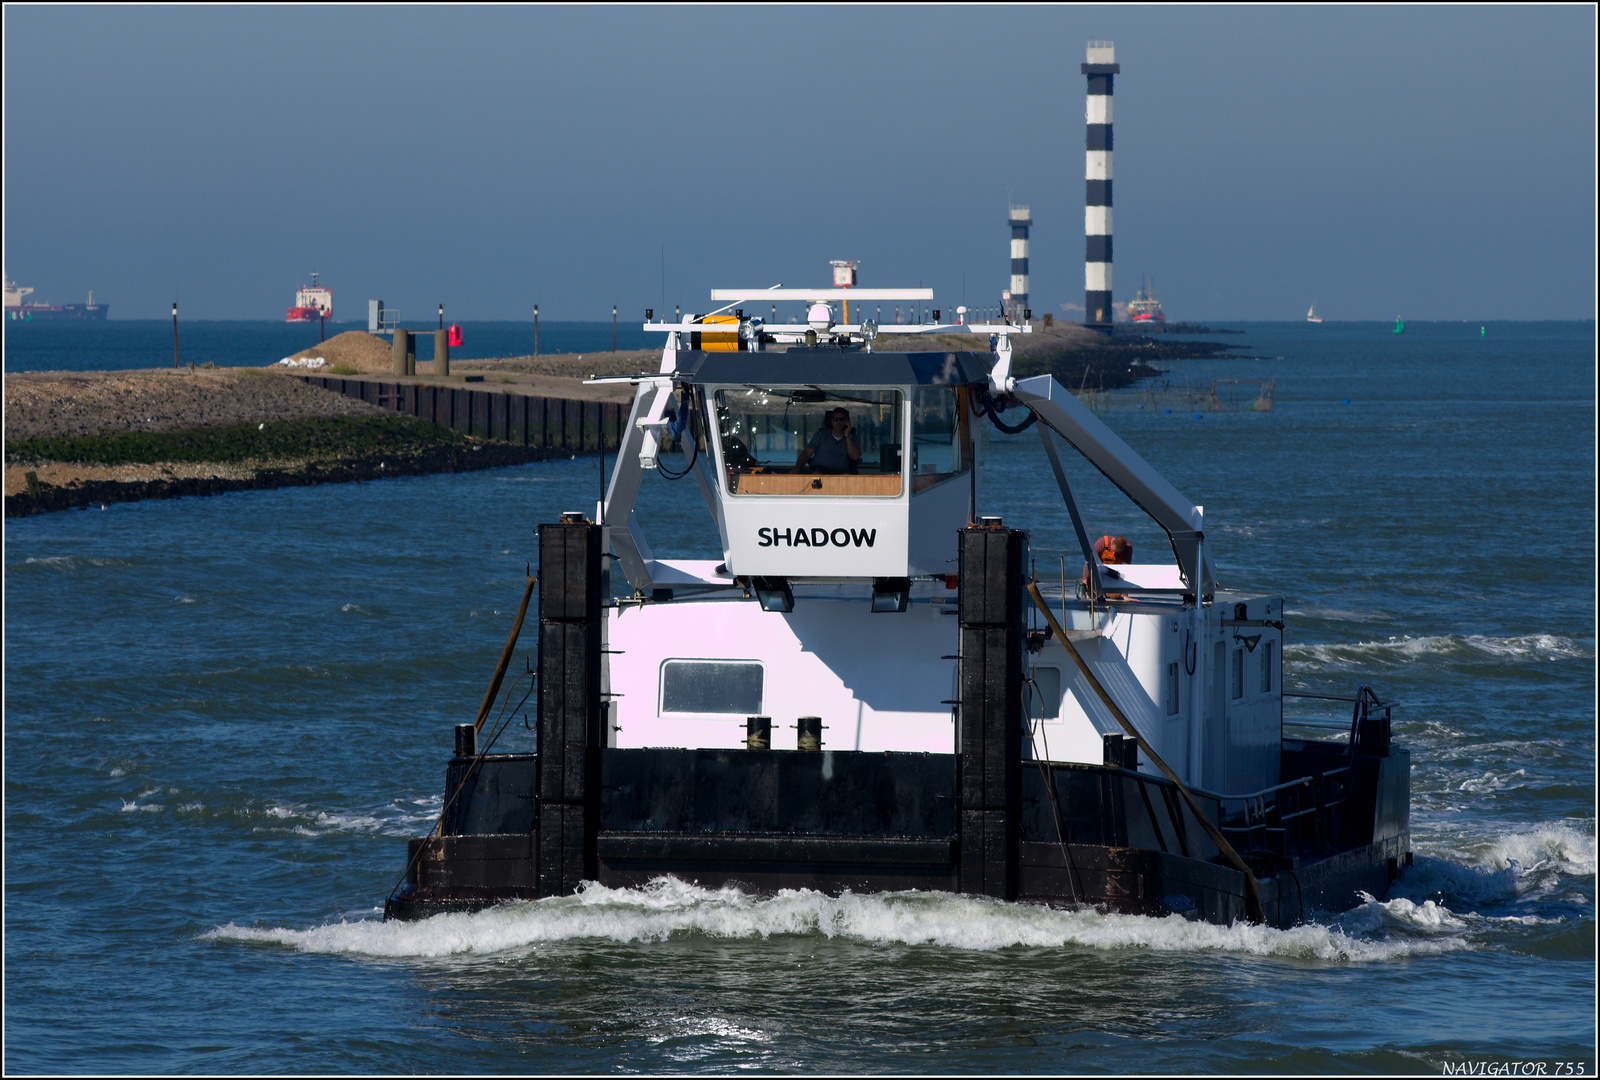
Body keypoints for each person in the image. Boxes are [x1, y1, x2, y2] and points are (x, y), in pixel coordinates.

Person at [796, 407, 862, 473]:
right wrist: (796, 469)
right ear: (831, 421)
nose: (838, 422)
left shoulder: (852, 438)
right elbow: (806, 454)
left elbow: (855, 457)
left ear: (846, 421)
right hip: (819, 470)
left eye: (841, 419)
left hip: (842, 473)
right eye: (835, 419)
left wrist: (847, 436)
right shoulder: (821, 435)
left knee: (848, 477)